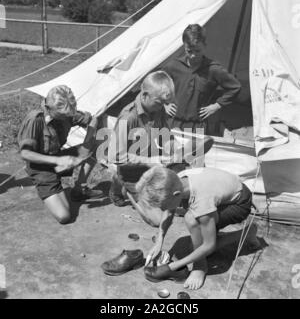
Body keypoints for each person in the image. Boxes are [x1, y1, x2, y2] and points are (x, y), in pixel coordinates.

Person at [134, 166, 258, 290]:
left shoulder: (201, 201)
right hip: (227, 194)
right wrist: (159, 240)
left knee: (192, 221)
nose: (162, 210)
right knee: (195, 242)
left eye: (162, 206)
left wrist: (173, 266)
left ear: (176, 195)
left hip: (239, 204)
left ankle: (201, 266)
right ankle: (219, 232)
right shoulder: (177, 180)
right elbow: (169, 211)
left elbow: (209, 245)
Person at [18, 85, 103, 224]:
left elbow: (93, 119)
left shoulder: (66, 112)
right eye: (62, 116)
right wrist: (58, 161)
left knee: (97, 145)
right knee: (64, 216)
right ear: (50, 108)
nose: (67, 118)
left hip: (58, 157)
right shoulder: (35, 120)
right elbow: (26, 153)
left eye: (68, 115)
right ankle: (49, 186)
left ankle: (78, 189)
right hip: (40, 168)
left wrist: (87, 144)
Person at [107, 70, 180, 206]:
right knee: (152, 205)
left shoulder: (158, 108)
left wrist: (175, 149)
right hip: (130, 170)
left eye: (165, 103)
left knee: (172, 193)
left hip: (150, 162)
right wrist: (149, 161)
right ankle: (118, 183)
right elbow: (116, 156)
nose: (162, 107)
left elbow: (165, 136)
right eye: (159, 102)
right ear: (145, 95)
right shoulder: (128, 117)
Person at [163, 24, 241, 134]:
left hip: (197, 127)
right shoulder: (174, 66)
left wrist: (216, 106)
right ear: (184, 46)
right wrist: (164, 104)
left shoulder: (213, 69)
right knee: (167, 150)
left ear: (205, 45)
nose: (193, 55)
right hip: (171, 123)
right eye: (189, 51)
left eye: (198, 51)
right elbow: (155, 84)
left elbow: (235, 87)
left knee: (194, 151)